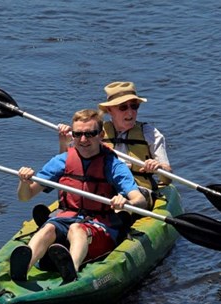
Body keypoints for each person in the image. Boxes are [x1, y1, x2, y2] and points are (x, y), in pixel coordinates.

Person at [10, 109, 147, 284]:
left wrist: (126, 202)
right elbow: (25, 196)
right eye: (78, 134)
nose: (83, 140)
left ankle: (70, 271)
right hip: (66, 217)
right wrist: (23, 181)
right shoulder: (61, 161)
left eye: (90, 134)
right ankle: (23, 268)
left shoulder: (113, 165)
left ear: (101, 135)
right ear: (73, 135)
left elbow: (140, 200)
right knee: (48, 228)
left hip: (99, 225)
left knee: (77, 229)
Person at [59, 81, 172, 209]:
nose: (130, 112)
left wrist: (159, 168)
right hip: (102, 187)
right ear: (109, 110)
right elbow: (69, 166)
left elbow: (167, 179)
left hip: (137, 191)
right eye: (123, 107)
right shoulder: (95, 133)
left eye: (134, 106)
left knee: (118, 200)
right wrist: (64, 141)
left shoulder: (150, 133)